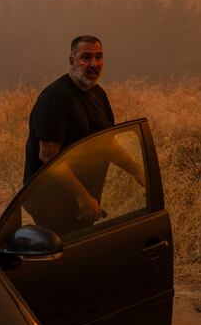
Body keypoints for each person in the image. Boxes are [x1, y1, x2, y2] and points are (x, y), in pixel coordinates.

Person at [23, 35, 144, 235]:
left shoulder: (98, 94)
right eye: (85, 57)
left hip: (83, 201)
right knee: (66, 259)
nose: (94, 64)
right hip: (53, 204)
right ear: (71, 60)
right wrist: (82, 197)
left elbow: (107, 144)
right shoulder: (55, 98)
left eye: (99, 57)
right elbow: (48, 155)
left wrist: (138, 171)